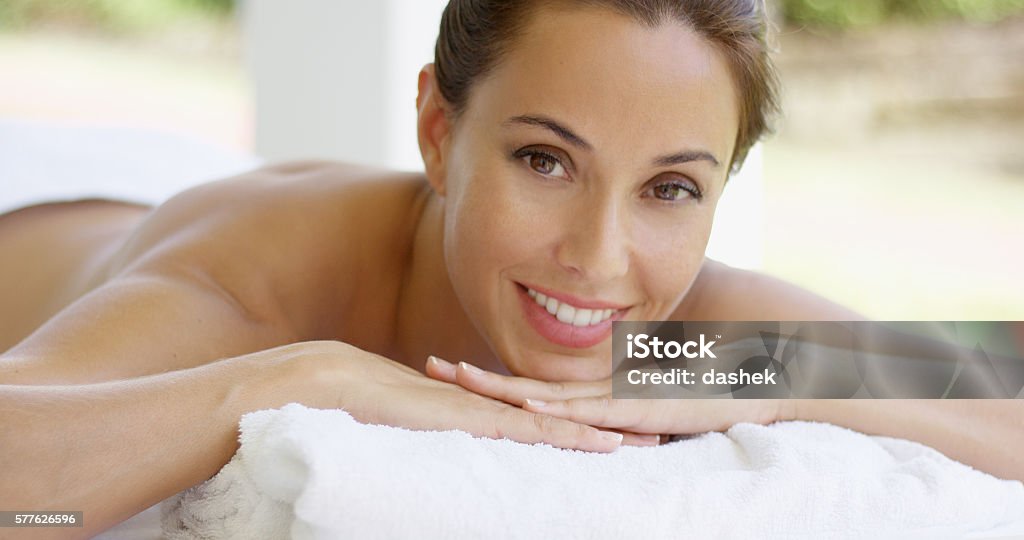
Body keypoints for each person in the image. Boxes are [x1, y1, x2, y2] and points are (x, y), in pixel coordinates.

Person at [1, 0, 1021, 537]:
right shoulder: (261, 278)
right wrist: (310, 376)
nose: (600, 259)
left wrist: (753, 370)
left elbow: (1000, 392)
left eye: (669, 187)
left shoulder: (685, 325)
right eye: (545, 160)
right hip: (45, 196)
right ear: (439, 131)